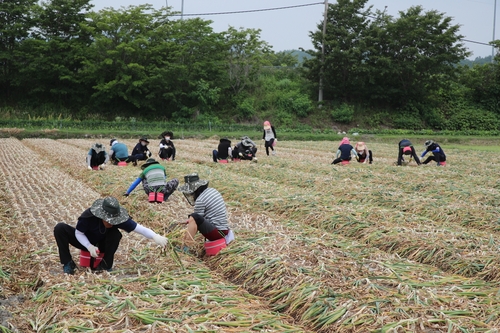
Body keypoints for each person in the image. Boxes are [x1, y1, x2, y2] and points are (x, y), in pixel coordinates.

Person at [53, 197, 168, 274]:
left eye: (113, 220)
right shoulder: (88, 217)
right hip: (85, 242)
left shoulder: (118, 219)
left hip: (102, 244)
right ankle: (68, 263)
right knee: (60, 228)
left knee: (115, 234)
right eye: (108, 220)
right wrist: (88, 246)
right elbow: (79, 233)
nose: (111, 222)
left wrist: (155, 236)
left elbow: (139, 228)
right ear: (101, 215)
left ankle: (105, 265)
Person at [177, 173, 230, 251]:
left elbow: (196, 220)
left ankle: (185, 246)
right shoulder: (212, 191)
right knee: (195, 217)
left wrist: (188, 228)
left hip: (217, 233)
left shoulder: (200, 200)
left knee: (194, 217)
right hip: (224, 230)